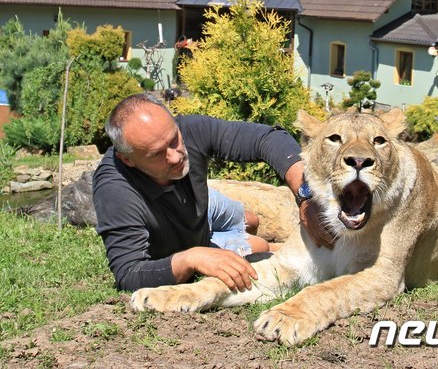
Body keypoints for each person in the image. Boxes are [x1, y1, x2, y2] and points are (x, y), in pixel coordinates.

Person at [93, 93, 332, 292]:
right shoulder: (115, 191)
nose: (175, 156)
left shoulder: (188, 129)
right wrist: (192, 258)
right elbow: (129, 273)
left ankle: (237, 230)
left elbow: (265, 138)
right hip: (187, 242)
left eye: (174, 139)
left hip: (201, 203)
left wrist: (306, 195)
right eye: (157, 154)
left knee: (252, 220)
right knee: (259, 247)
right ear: (127, 159)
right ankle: (269, 248)